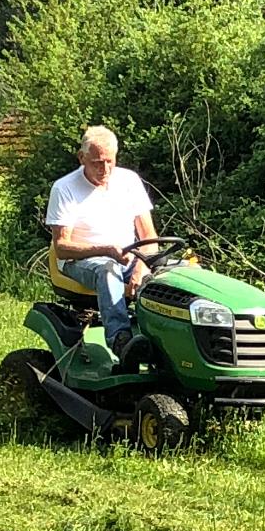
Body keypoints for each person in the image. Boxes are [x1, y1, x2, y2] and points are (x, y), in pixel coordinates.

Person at [45, 125, 158, 361]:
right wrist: (106, 250)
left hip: (129, 257)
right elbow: (62, 247)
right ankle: (120, 340)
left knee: (179, 274)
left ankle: (169, 340)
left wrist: (141, 266)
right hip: (80, 261)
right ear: (81, 158)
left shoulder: (129, 180)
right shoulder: (64, 188)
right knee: (108, 270)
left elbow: (149, 236)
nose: (104, 169)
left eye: (109, 161)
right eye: (97, 162)